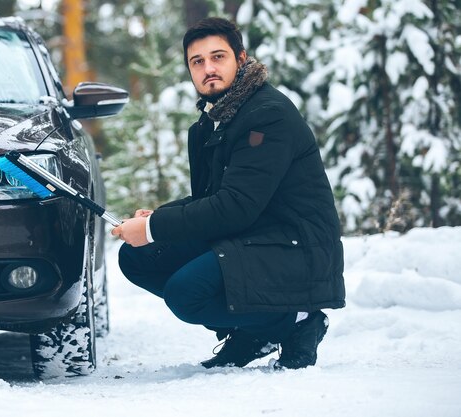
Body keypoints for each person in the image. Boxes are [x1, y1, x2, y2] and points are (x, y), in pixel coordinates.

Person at [111, 17, 345, 370]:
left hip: (294, 246)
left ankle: (297, 321)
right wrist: (156, 219)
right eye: (197, 61)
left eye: (218, 57)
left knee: (185, 294)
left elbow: (235, 207)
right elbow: (213, 195)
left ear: (240, 58)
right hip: (251, 234)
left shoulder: (267, 116)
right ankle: (250, 328)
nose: (208, 69)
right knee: (138, 256)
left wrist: (154, 227)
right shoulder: (215, 119)